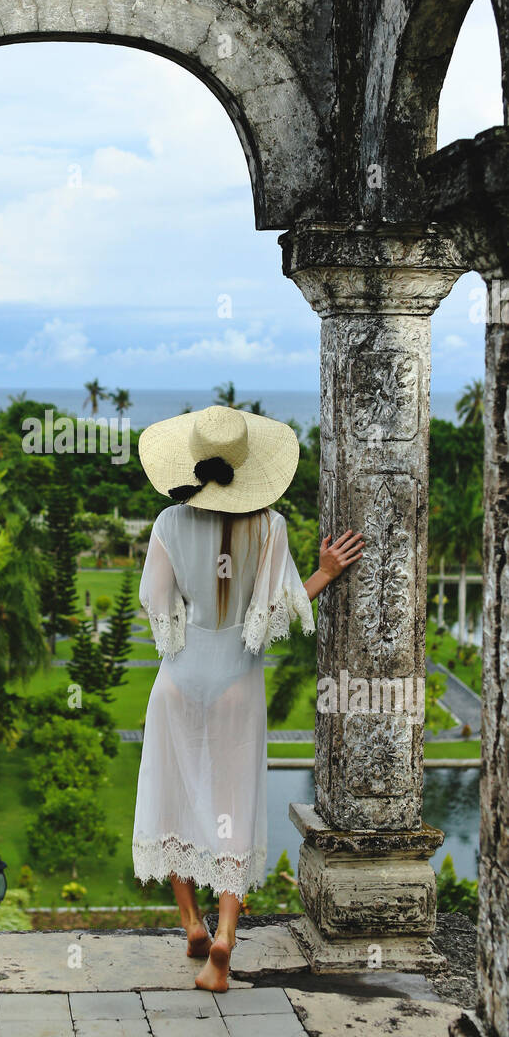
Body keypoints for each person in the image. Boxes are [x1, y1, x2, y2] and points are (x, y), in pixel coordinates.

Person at [133, 404, 363, 992]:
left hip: (179, 678)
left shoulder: (168, 523)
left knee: (173, 797)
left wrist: (187, 629)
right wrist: (326, 572)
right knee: (232, 806)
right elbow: (278, 612)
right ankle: (225, 942)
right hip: (239, 681)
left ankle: (190, 920)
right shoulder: (271, 526)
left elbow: (157, 606)